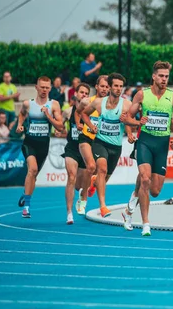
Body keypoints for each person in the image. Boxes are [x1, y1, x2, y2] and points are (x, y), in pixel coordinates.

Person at [122, 61, 173, 236]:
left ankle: (129, 207)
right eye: (161, 76)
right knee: (145, 179)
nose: (164, 79)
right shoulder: (142, 95)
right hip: (145, 142)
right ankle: (145, 223)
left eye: (166, 76)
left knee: (155, 191)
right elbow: (127, 118)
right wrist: (137, 122)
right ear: (154, 76)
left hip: (162, 145)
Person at [81, 73, 139, 218]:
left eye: (121, 86)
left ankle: (94, 182)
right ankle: (103, 207)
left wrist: (131, 132)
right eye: (116, 86)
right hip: (100, 142)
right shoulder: (98, 103)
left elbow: (130, 120)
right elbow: (84, 114)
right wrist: (90, 126)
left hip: (116, 146)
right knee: (102, 168)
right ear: (110, 87)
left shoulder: (126, 104)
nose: (119, 89)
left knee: (104, 178)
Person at [16, 76, 64, 218]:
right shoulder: (28, 104)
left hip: (44, 145)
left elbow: (60, 127)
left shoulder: (54, 105)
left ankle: (26, 194)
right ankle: (26, 207)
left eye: (47, 87)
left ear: (50, 88)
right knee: (33, 169)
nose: (44, 90)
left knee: (34, 176)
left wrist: (48, 115)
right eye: (41, 87)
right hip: (29, 142)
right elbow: (22, 114)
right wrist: (20, 124)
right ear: (36, 87)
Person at [75, 75, 109, 214]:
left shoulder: (110, 104)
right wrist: (79, 124)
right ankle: (83, 200)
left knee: (102, 173)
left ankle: (92, 183)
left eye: (107, 87)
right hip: (86, 138)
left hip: (100, 140)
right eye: (102, 86)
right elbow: (78, 113)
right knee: (91, 166)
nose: (104, 89)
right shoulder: (87, 101)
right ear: (96, 86)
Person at [61, 83, 90, 224]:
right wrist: (59, 129)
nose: (84, 95)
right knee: (71, 177)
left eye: (86, 93)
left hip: (85, 150)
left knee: (80, 185)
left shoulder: (92, 111)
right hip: (72, 149)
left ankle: (82, 194)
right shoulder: (68, 111)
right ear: (76, 94)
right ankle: (69, 213)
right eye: (81, 92)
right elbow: (60, 125)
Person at [0, 71, 20, 138]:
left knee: (11, 127)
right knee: (4, 127)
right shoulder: (0, 86)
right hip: (3, 110)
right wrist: (12, 96)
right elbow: (0, 98)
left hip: (12, 110)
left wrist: (16, 96)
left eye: (8, 76)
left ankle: (10, 141)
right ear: (3, 78)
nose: (7, 78)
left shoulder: (13, 86)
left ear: (10, 77)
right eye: (5, 77)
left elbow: (16, 100)